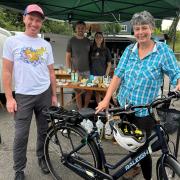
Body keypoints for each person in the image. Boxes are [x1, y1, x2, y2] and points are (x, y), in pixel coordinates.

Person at [96, 11, 180, 180]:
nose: (140, 32)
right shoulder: (129, 50)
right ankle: (134, 166)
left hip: (144, 111)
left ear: (152, 29)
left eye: (144, 28)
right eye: (137, 29)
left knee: (142, 149)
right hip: (125, 106)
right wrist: (106, 99)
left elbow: (176, 74)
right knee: (130, 142)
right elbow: (118, 76)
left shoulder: (162, 51)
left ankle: (146, 175)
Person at [2, 4, 57, 180]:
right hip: (23, 95)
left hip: (44, 93)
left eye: (38, 20)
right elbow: (7, 71)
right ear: (24, 18)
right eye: (31, 19)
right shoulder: (12, 42)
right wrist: (9, 97)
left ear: (41, 23)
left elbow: (51, 72)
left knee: (43, 131)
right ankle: (19, 169)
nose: (34, 23)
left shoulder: (45, 45)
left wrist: (54, 95)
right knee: (20, 135)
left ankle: (42, 158)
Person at [66, 20, 92, 109]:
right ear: (76, 29)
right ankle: (80, 109)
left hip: (87, 70)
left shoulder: (88, 41)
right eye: (79, 28)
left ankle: (85, 108)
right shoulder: (71, 40)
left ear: (85, 29)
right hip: (74, 71)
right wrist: (69, 70)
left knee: (89, 90)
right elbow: (68, 56)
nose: (80, 30)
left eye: (82, 28)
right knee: (77, 90)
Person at [90, 31, 112, 104]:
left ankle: (106, 110)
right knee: (96, 93)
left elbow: (109, 64)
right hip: (93, 75)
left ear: (103, 39)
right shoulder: (91, 49)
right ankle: (99, 107)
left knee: (104, 93)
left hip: (103, 75)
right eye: (96, 37)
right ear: (94, 39)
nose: (98, 38)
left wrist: (106, 75)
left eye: (100, 37)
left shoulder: (106, 50)